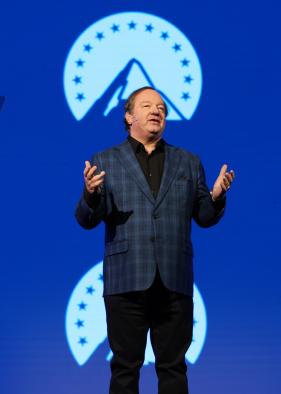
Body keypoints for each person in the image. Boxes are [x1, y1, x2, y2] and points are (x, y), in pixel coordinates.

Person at [75, 86, 235, 394]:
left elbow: (203, 217)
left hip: (174, 281)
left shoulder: (188, 161)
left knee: (173, 369)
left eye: (161, 106)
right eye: (147, 105)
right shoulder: (105, 160)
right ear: (129, 115)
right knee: (125, 369)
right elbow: (86, 219)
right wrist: (90, 195)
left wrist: (215, 197)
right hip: (126, 280)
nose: (156, 111)